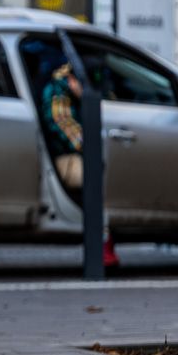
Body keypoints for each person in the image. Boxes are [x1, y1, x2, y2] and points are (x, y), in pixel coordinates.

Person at [41, 61, 120, 269]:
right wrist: (97, 147)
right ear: (72, 79)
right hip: (61, 159)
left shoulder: (69, 91)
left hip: (69, 156)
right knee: (95, 175)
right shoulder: (58, 93)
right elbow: (68, 130)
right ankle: (102, 244)